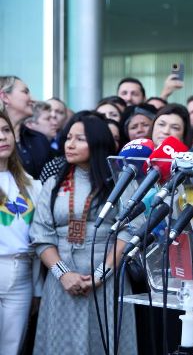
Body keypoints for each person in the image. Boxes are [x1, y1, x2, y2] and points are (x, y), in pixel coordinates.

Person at [29, 111, 137, 354]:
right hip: (62, 279)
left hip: (106, 278)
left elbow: (128, 232)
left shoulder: (120, 180)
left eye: (80, 139)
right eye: (68, 138)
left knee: (106, 341)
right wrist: (63, 274)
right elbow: (40, 235)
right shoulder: (54, 182)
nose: (70, 144)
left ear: (98, 142)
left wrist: (100, 274)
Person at [0, 110, 42, 355]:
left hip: (22, 274)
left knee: (12, 348)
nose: (2, 137)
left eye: (6, 130)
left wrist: (37, 289)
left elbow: (38, 239)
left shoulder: (30, 184)